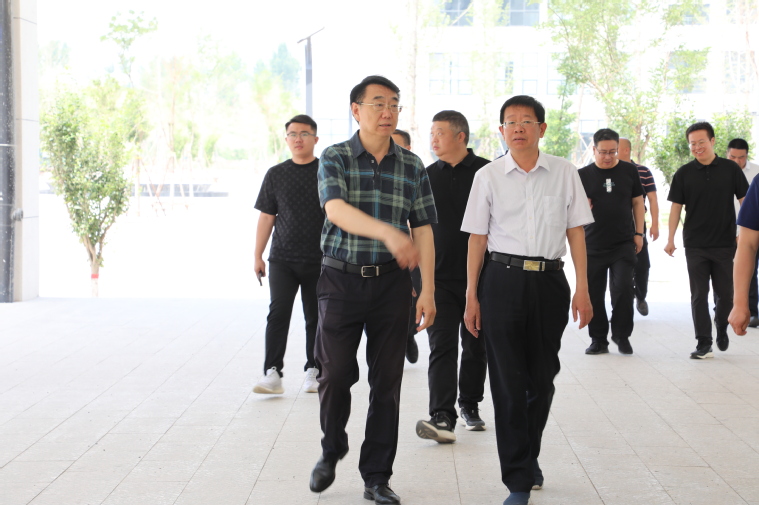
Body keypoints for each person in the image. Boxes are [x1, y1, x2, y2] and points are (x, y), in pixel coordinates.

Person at [309, 75, 437, 505]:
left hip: (391, 286)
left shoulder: (412, 165)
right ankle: (332, 447)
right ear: (356, 109)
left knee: (387, 383)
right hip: (340, 280)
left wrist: (428, 289)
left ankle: (377, 476)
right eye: (378, 103)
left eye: (394, 104)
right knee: (334, 374)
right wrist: (387, 232)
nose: (388, 112)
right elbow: (335, 209)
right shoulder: (336, 157)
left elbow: (423, 229)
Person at [462, 95, 593, 505]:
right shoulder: (487, 176)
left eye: (526, 120)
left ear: (542, 128)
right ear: (502, 130)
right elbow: (477, 239)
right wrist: (471, 296)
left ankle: (527, 452)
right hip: (501, 281)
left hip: (550, 282)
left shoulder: (564, 172)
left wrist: (583, 287)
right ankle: (518, 480)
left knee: (542, 380)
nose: (518, 127)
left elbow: (575, 232)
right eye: (511, 121)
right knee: (507, 383)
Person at [415, 111, 490, 443]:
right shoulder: (425, 176)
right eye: (431, 133)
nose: (433, 139)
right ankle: (442, 416)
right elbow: (413, 226)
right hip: (438, 279)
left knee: (475, 345)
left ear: (461, 136)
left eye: (440, 133)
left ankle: (469, 403)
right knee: (441, 345)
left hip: (484, 276)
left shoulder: (488, 172)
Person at [252, 114, 323, 395]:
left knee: (315, 317)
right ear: (286, 139)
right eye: (292, 134)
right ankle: (272, 373)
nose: (298, 139)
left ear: (315, 139)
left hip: (319, 259)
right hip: (282, 258)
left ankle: (314, 370)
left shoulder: (327, 172)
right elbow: (267, 217)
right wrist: (257, 255)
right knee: (278, 313)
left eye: (304, 134)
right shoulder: (276, 174)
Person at [665, 122, 748, 359]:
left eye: (701, 142)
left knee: (725, 295)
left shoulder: (731, 170)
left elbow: (745, 201)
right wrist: (670, 239)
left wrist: (744, 233)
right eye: (692, 144)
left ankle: (721, 325)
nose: (697, 147)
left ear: (712, 141)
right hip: (695, 244)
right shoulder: (683, 173)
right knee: (698, 295)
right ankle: (703, 342)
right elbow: (675, 208)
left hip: (725, 243)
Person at [578, 129, 645, 355]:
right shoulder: (582, 175)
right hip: (592, 244)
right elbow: (569, 208)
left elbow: (637, 202)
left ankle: (621, 334)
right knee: (594, 294)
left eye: (612, 152)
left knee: (624, 289)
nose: (608, 157)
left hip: (623, 243)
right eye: (603, 152)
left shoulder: (629, 171)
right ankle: (598, 339)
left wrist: (639, 233)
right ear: (594, 150)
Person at [392, 128, 423, 363]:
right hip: (378, 253)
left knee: (412, 297)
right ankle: (400, 338)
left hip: (411, 251)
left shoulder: (414, 173)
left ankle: (408, 335)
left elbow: (421, 223)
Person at [619, 137, 659, 316]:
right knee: (619, 268)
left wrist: (655, 224)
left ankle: (641, 297)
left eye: (616, 149)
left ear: (626, 150)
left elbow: (652, 199)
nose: (612, 153)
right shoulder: (610, 171)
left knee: (642, 264)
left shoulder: (643, 171)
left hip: (637, 222)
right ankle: (621, 306)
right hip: (615, 223)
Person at [728, 138, 759, 327]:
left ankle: (753, 309)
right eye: (733, 157)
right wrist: (739, 305)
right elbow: (748, 244)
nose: (738, 161)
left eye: (741, 157)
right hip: (730, 232)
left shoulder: (755, 171)